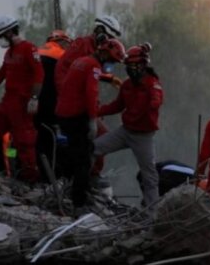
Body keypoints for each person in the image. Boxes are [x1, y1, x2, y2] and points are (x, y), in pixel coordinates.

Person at [55, 38, 126, 212]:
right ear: (104, 53)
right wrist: (93, 120)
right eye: (110, 61)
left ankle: (68, 191)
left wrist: (109, 78)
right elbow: (91, 93)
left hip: (63, 115)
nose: (109, 64)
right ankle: (78, 203)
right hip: (75, 117)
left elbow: (87, 77)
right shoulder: (93, 65)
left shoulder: (82, 60)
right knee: (84, 160)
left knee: (71, 156)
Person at [94, 43, 164, 208]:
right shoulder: (127, 85)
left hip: (143, 137)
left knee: (150, 177)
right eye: (129, 65)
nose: (132, 68)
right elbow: (117, 106)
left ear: (143, 65)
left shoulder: (152, 84)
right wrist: (96, 111)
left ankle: (152, 214)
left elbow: (157, 98)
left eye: (135, 65)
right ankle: (86, 186)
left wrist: (154, 103)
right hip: (125, 132)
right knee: (93, 149)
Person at [0, 16, 44, 182]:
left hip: (22, 105)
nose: (0, 39)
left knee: (24, 143)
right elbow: (1, 76)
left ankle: (30, 180)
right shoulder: (9, 53)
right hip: (8, 103)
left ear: (9, 32)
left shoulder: (29, 48)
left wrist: (34, 98)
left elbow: (39, 74)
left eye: (1, 35)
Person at [35, 30, 72, 181]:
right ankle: (59, 177)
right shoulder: (64, 55)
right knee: (59, 143)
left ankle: (39, 175)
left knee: (39, 141)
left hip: (35, 104)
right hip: (55, 106)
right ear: (63, 42)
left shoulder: (37, 52)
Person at [55, 15, 122, 91]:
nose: (109, 42)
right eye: (109, 37)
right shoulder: (82, 44)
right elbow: (63, 67)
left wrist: (110, 78)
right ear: (100, 32)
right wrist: (64, 91)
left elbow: (93, 72)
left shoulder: (98, 51)